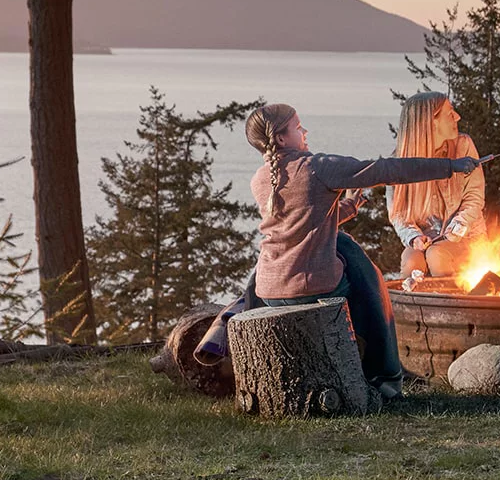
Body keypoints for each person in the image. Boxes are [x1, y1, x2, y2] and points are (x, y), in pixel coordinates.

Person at [198, 103, 478, 400]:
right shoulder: (318, 166)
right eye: (298, 127)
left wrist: (349, 208)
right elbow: (386, 169)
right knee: (364, 272)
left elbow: (299, 222)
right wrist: (450, 167)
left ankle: (228, 323)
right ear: (281, 139)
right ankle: (387, 375)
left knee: (338, 241)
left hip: (268, 288)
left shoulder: (261, 178)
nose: (305, 132)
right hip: (310, 286)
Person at [387, 92, 484, 278]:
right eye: (450, 113)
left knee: (437, 254)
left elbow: (474, 197)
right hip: (426, 241)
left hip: (465, 238)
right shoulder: (398, 162)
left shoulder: (463, 146)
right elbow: (398, 213)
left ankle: (453, 305)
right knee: (411, 262)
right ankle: (412, 306)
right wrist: (414, 237)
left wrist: (456, 228)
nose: (457, 117)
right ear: (431, 122)